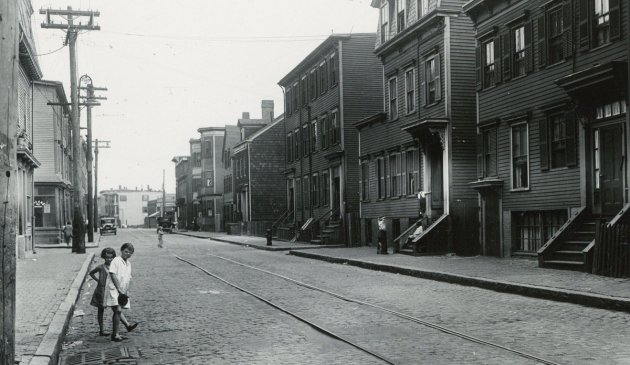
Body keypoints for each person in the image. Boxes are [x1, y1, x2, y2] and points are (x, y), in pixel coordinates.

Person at [107, 242, 138, 341]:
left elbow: (128, 277)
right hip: (114, 289)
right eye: (126, 251)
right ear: (121, 251)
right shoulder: (116, 260)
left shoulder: (128, 263)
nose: (128, 254)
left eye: (130, 253)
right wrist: (119, 289)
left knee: (118, 310)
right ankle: (115, 334)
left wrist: (126, 290)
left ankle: (126, 327)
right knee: (118, 310)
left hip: (123, 290)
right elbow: (112, 274)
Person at [89, 247, 116, 336]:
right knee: (100, 310)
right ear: (104, 257)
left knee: (116, 309)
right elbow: (91, 273)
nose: (109, 259)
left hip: (111, 290)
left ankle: (117, 329)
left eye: (111, 257)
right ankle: (101, 330)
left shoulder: (114, 267)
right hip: (101, 291)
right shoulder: (101, 267)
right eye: (107, 257)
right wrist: (98, 280)